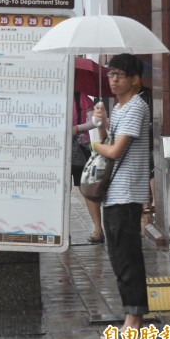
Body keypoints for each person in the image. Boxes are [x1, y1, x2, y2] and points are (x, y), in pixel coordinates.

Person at [92, 54, 150, 339]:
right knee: (118, 259)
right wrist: (102, 124)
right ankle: (130, 318)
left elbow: (114, 152)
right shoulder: (119, 107)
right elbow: (112, 143)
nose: (113, 79)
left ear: (135, 80)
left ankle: (135, 323)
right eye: (111, 73)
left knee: (128, 260)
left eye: (120, 74)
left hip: (127, 194)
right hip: (113, 194)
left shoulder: (137, 107)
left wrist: (95, 143)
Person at [72, 92, 104, 243]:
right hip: (57, 149)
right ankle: (62, 232)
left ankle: (98, 229)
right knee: (60, 192)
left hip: (81, 148)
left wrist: (77, 127)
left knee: (86, 188)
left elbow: (93, 122)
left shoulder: (80, 97)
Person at [137, 80, 155, 233]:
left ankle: (149, 202)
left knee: (148, 169)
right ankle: (146, 203)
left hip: (145, 138)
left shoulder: (144, 97)